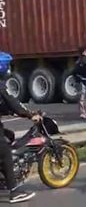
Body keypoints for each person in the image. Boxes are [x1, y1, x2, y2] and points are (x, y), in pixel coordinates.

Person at [0, 53, 39, 203]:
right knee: (6, 155)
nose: (9, 70)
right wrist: (30, 115)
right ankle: (15, 192)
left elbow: (5, 105)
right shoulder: (1, 86)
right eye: (8, 66)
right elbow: (13, 103)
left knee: (9, 136)